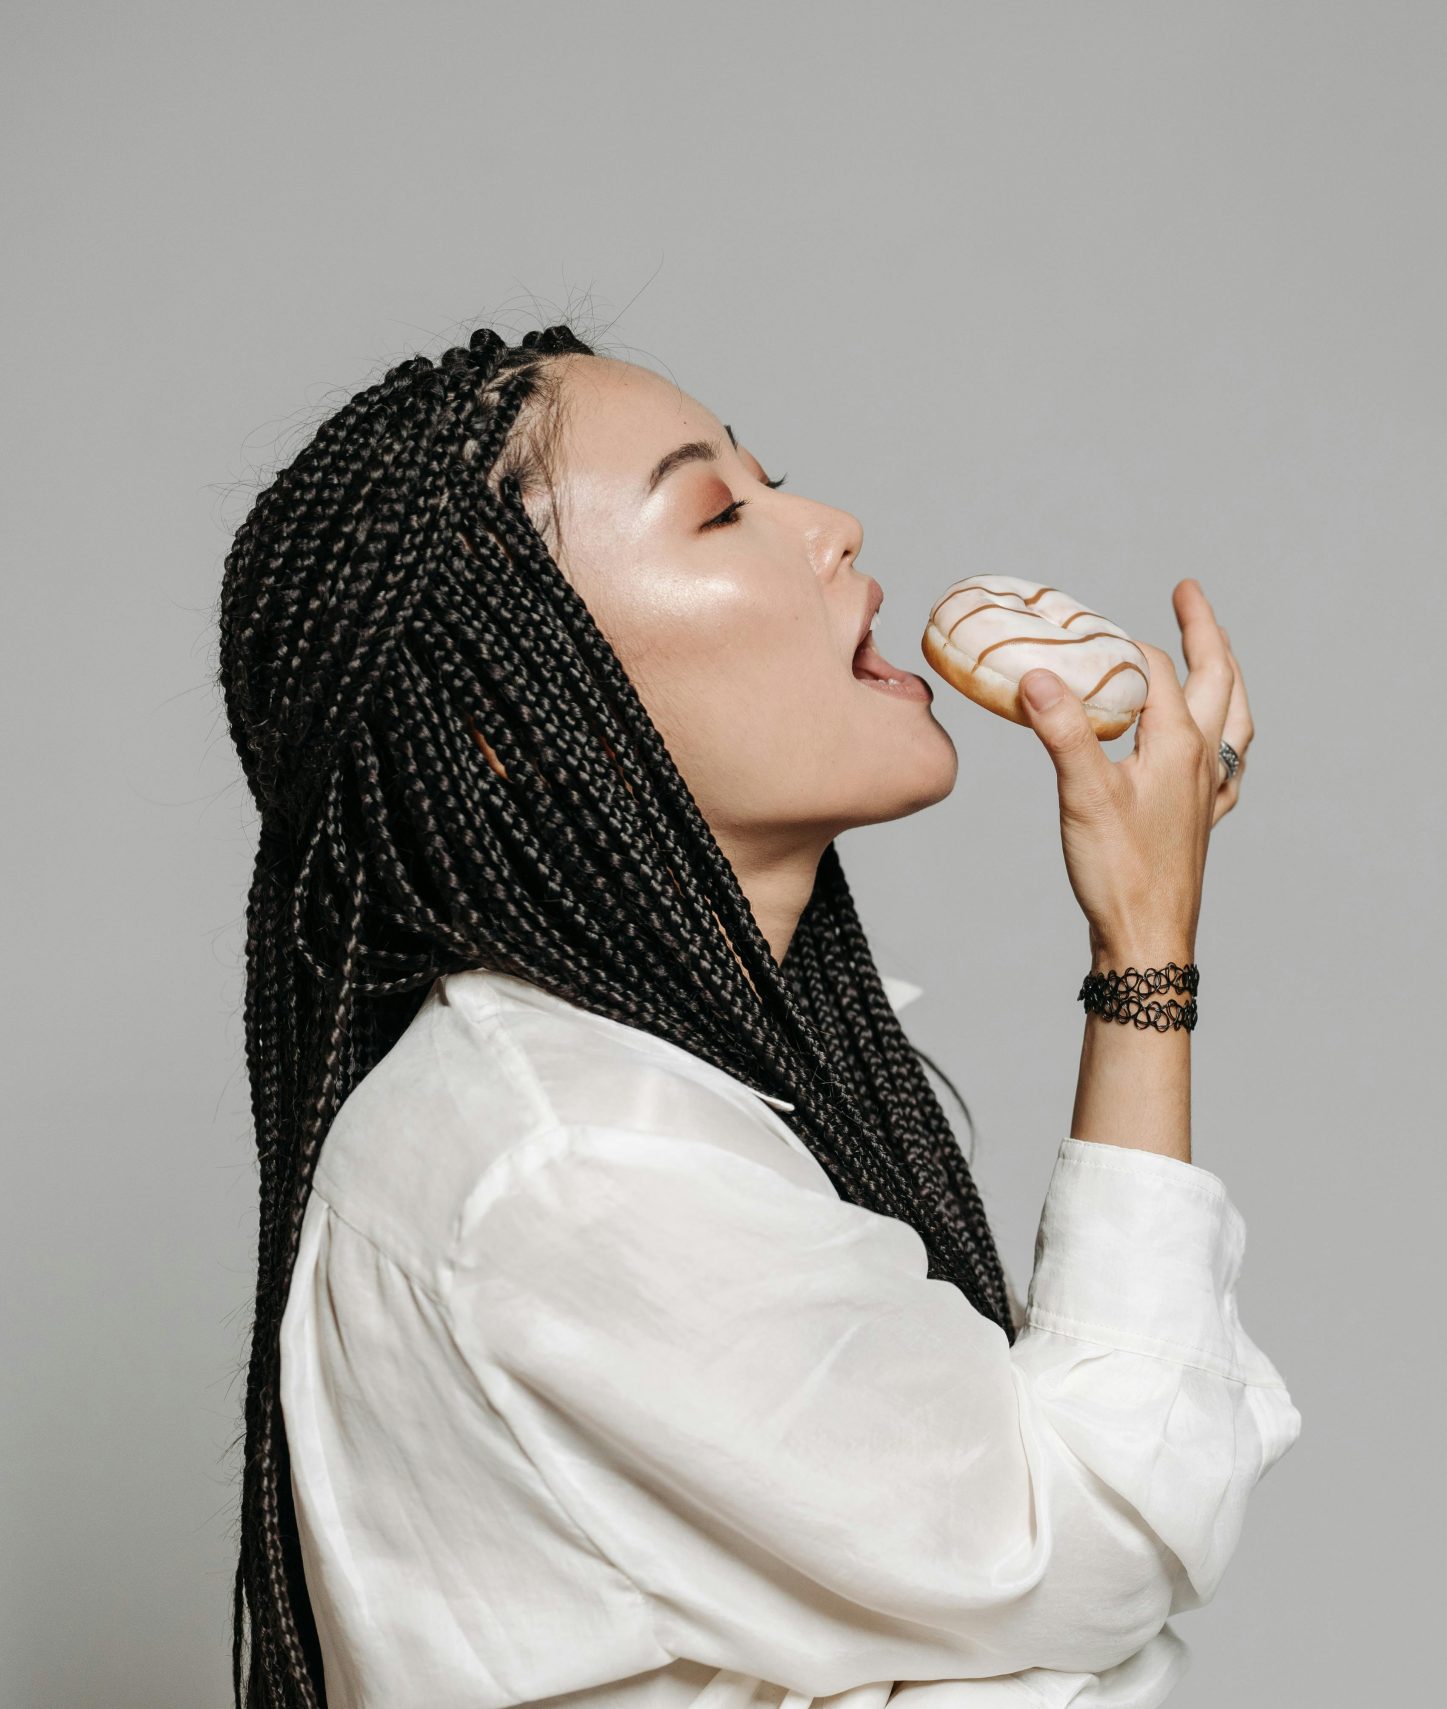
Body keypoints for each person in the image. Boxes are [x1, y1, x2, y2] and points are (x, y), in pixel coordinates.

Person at [215, 324, 1297, 1708]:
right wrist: (1147, 946)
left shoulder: (652, 1099)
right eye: (719, 511)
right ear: (521, 723)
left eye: (771, 479)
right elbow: (1098, 1540)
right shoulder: (581, 1165)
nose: (831, 526)